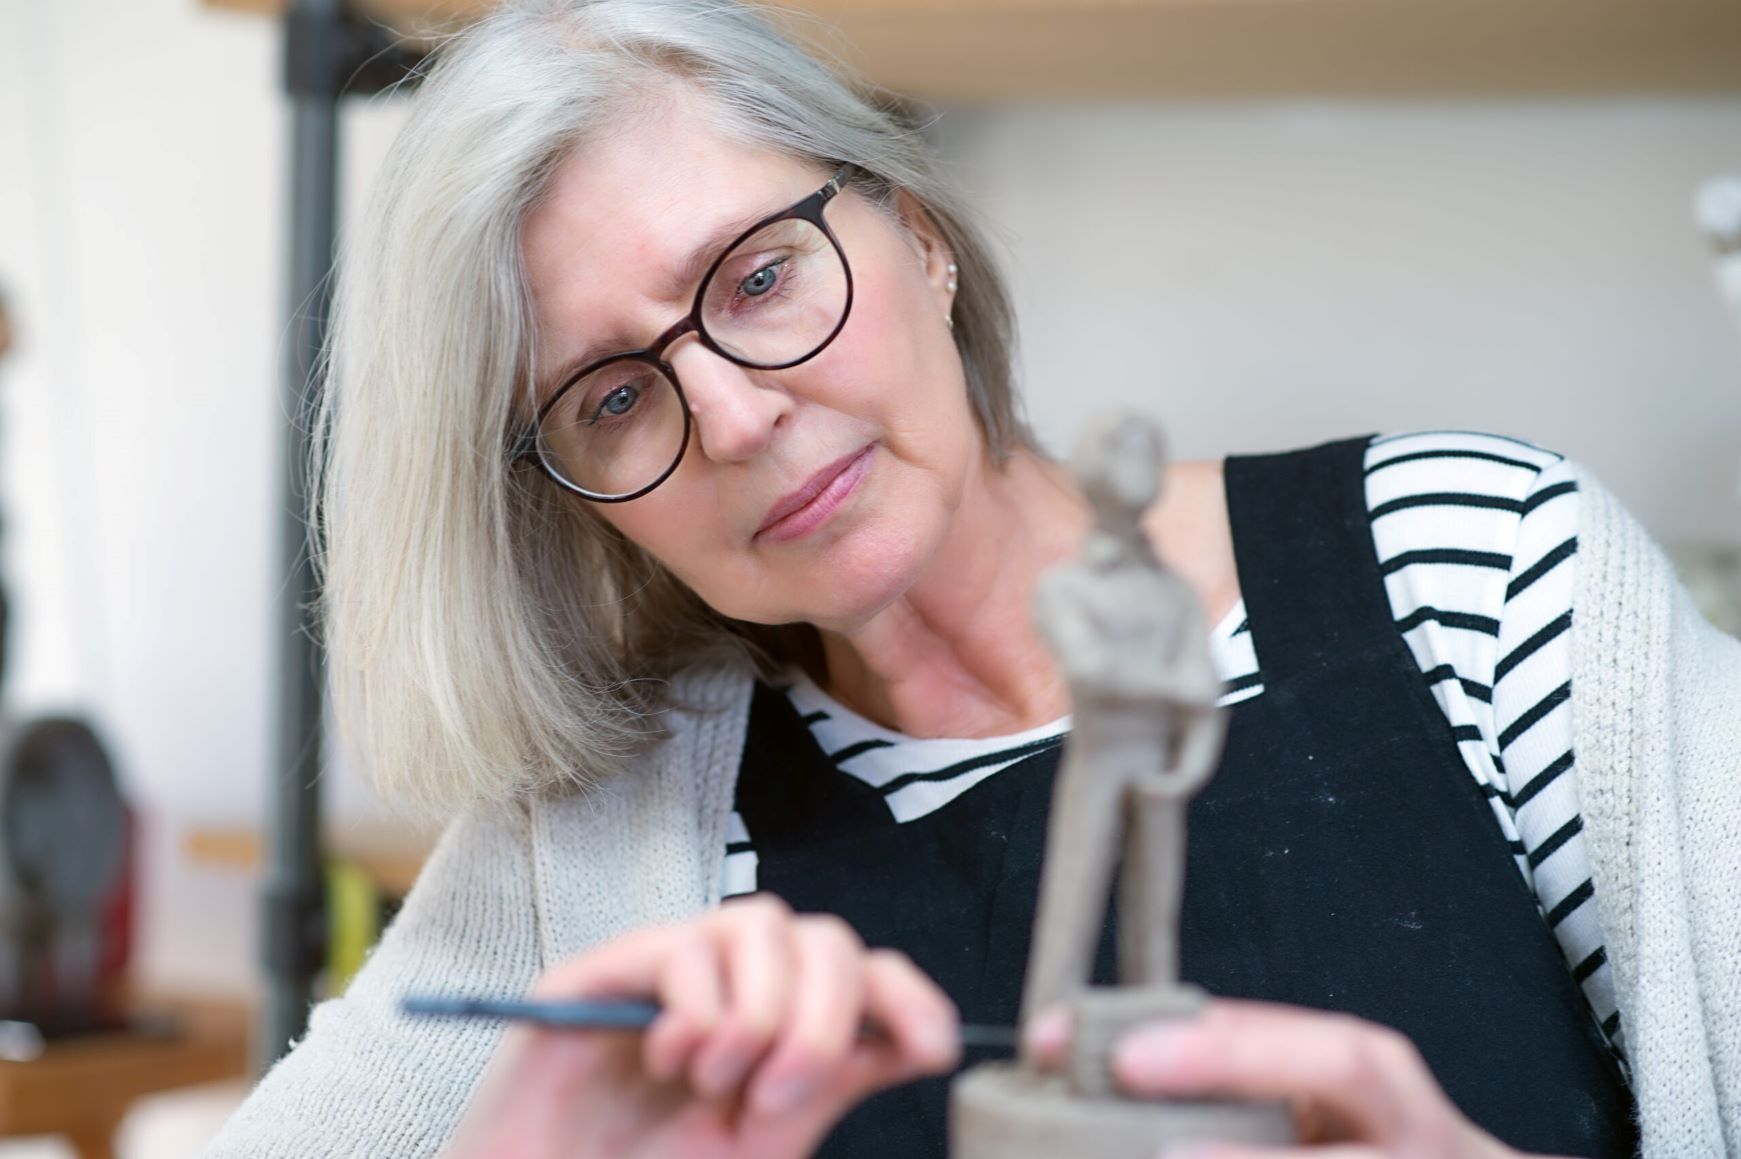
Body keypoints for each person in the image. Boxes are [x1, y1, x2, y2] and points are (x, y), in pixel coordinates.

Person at [200, 1, 1741, 1155]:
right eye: (610, 397)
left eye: (758, 276)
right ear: (573, 505)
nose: (733, 414)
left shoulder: (1477, 574)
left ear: (918, 234)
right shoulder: (610, 831)